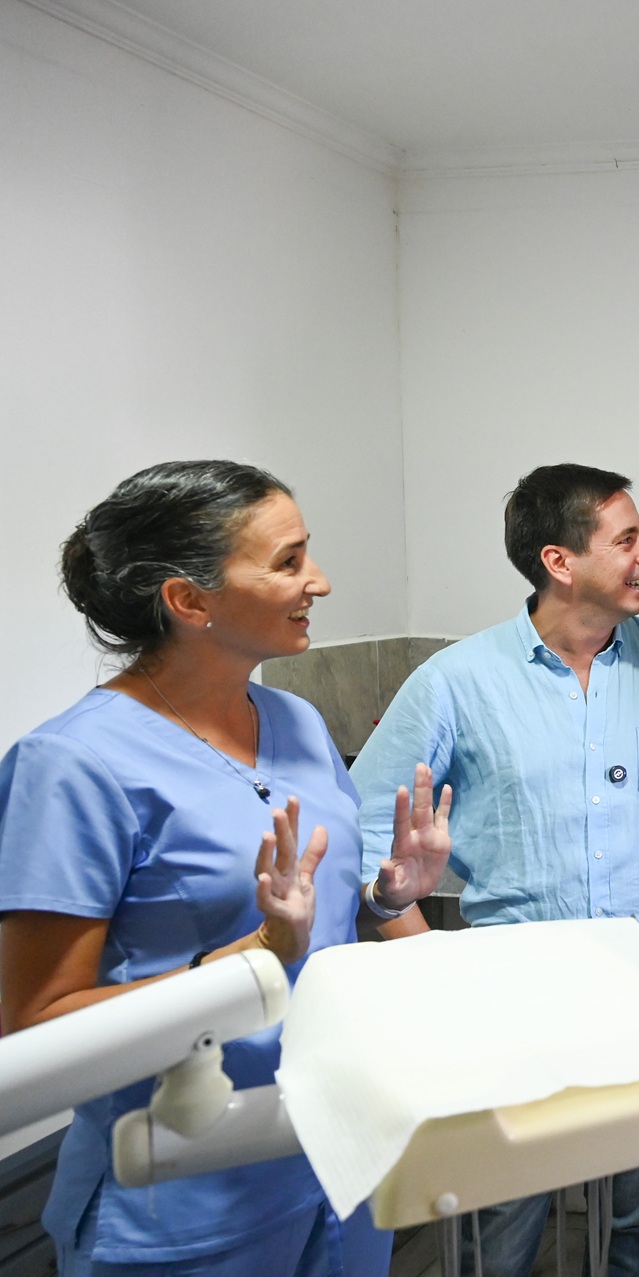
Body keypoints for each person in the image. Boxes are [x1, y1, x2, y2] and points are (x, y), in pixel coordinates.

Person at [0, 460, 450, 1277]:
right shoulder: (72, 765)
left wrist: (386, 895)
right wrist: (251, 957)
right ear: (188, 599)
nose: (320, 580)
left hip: (341, 1156)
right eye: (288, 561)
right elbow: (37, 1025)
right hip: (184, 1197)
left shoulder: (296, 721)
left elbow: (314, 920)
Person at [350, 463, 639, 1277]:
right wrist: (422, 951)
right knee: (509, 1202)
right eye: (628, 538)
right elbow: (366, 823)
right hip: (516, 976)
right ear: (560, 561)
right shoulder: (458, 680)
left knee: (631, 1200)